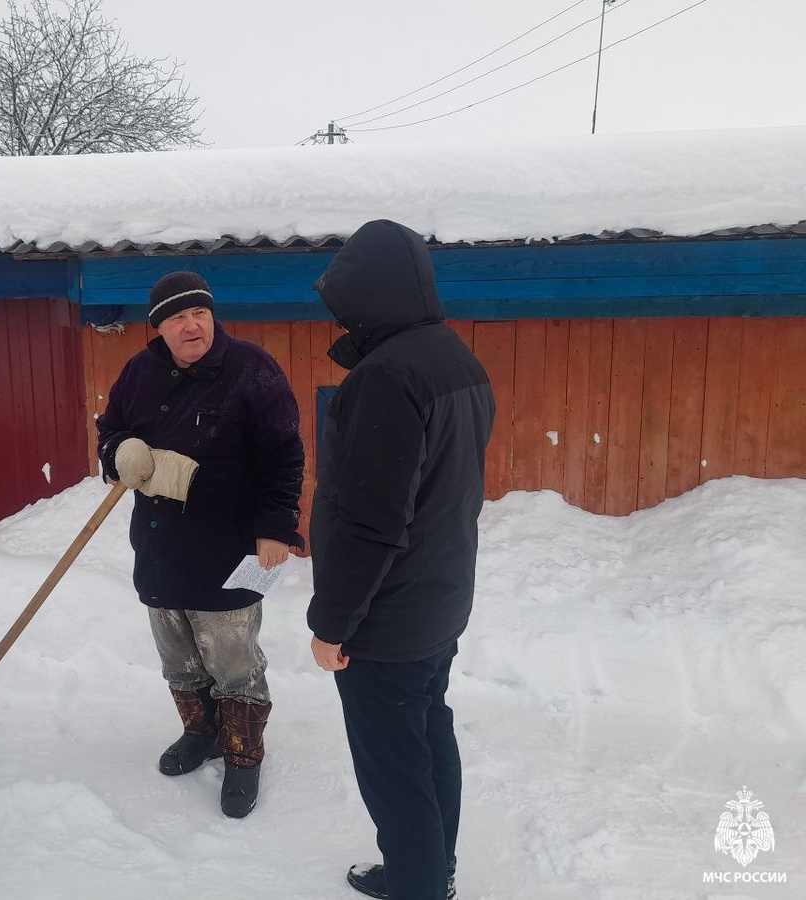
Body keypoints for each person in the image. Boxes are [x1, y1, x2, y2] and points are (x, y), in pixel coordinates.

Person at [307, 220, 495, 900]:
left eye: (347, 302)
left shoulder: (387, 376)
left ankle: (420, 886)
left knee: (395, 769)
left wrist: (333, 624)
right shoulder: (456, 359)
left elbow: (370, 522)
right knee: (429, 736)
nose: (342, 318)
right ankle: (431, 870)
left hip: (387, 620)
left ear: (373, 293)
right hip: (439, 599)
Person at [97, 271, 305, 818]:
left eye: (200, 314)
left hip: (228, 548)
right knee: (178, 657)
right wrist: (118, 452)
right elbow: (110, 428)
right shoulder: (139, 372)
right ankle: (201, 732)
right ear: (158, 327)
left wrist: (276, 528)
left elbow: (284, 456)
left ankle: (243, 753)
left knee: (234, 660)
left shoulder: (252, 369)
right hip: (160, 547)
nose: (192, 326)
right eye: (178, 317)